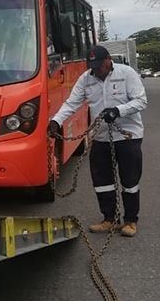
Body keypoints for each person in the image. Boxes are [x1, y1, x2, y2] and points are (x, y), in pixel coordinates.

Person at [49, 46, 148, 237]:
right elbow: (72, 103)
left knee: (129, 180)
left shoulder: (126, 73)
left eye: (99, 66)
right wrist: (56, 121)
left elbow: (141, 101)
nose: (96, 71)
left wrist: (118, 110)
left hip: (128, 135)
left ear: (108, 60)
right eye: (92, 66)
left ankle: (130, 221)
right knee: (102, 181)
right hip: (101, 136)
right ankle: (109, 219)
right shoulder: (86, 78)